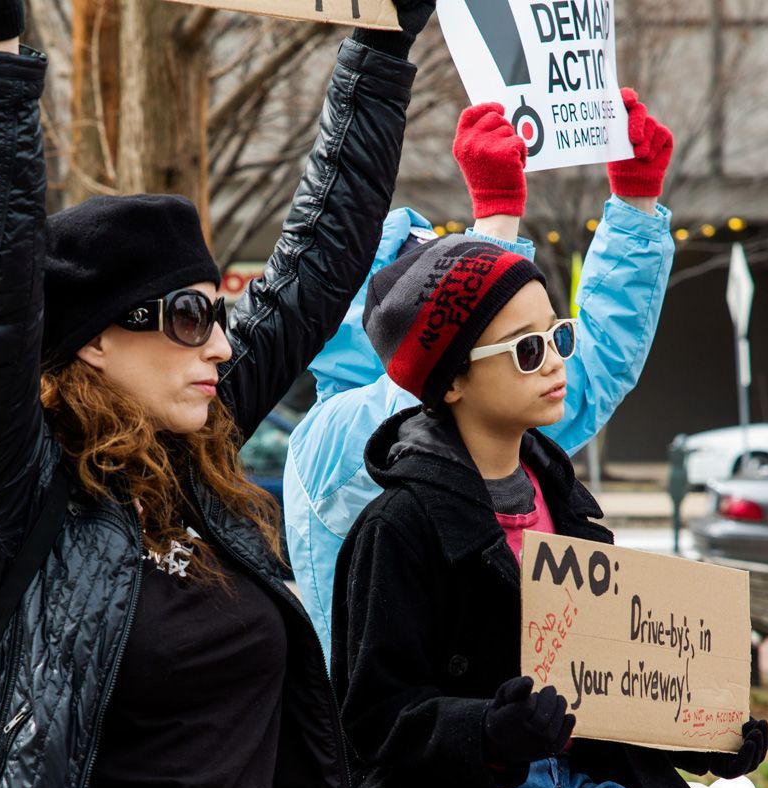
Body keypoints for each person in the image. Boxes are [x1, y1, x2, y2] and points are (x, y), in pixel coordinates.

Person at [0, 0, 435, 788]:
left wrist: (378, 48)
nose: (222, 346)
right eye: (188, 317)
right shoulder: (16, 495)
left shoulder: (197, 459)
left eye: (218, 316)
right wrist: (4, 62)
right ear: (96, 338)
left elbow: (320, 259)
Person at [329, 229, 768, 788]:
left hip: (581, 781)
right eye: (527, 349)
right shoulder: (396, 527)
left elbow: (608, 681)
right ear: (454, 378)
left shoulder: (561, 505)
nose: (556, 360)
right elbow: (369, 716)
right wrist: (488, 733)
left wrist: (703, 732)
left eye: (558, 335)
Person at [285, 95, 678, 664]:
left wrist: (635, 207)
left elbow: (589, 369)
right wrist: (495, 217)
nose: (543, 362)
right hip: (406, 747)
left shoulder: (491, 419)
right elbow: (412, 406)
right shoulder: (327, 442)